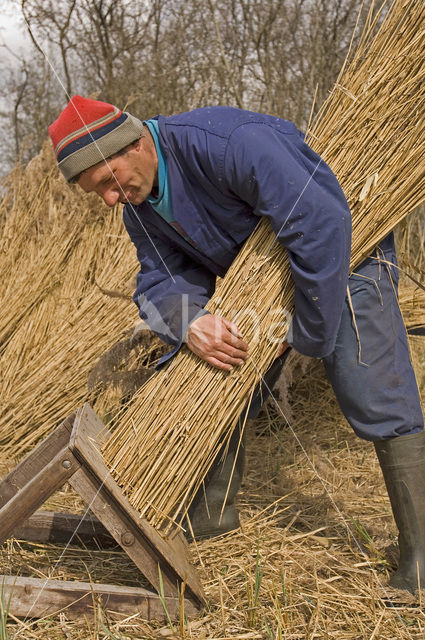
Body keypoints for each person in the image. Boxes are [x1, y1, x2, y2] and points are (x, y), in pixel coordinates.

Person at [49, 95, 424, 593]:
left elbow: (319, 221)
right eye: (96, 193)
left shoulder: (226, 144)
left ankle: (421, 553)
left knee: (370, 387)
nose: (109, 200)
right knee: (212, 364)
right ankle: (211, 514)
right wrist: (189, 323)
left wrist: (306, 335)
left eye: (107, 182)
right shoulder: (140, 208)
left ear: (135, 143)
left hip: (344, 252)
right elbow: (159, 280)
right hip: (264, 284)